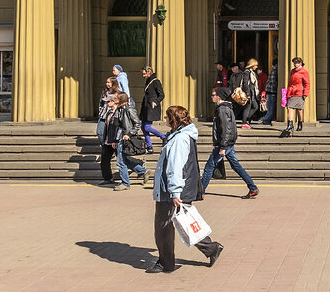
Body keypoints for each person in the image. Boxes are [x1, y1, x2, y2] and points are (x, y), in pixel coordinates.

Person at [150, 105, 224, 273]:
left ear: (174, 120)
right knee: (183, 222)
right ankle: (211, 249)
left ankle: (165, 263)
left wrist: (175, 191)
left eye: (167, 117)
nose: (165, 120)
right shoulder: (179, 136)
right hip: (175, 188)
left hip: (172, 189)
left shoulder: (179, 139)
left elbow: (176, 166)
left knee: (163, 226)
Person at [200, 87, 259, 198]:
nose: (211, 97)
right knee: (236, 166)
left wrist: (222, 146)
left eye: (213, 95)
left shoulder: (222, 109)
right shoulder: (227, 108)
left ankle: (200, 191)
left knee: (209, 167)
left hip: (223, 144)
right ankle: (252, 187)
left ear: (219, 96)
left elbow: (226, 129)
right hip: (228, 144)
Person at [107, 92, 146, 191]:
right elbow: (115, 126)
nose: (114, 99)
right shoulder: (118, 110)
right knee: (125, 160)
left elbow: (137, 124)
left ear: (121, 99)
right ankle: (142, 171)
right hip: (119, 138)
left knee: (120, 162)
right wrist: (114, 140)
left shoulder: (129, 109)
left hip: (125, 138)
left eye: (116, 98)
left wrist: (128, 134)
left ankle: (125, 183)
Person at [97, 77, 122, 185]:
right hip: (108, 137)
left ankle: (141, 170)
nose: (107, 84)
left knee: (123, 159)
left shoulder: (117, 113)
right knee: (104, 159)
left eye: (109, 82)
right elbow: (100, 104)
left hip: (115, 139)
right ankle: (107, 178)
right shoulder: (104, 93)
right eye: (106, 82)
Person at [280, 57, 310, 138]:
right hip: (291, 92)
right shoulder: (292, 71)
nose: (295, 64)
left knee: (299, 110)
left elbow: (307, 84)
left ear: (300, 63)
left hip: (299, 93)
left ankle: (300, 123)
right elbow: (290, 82)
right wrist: (287, 92)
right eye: (294, 63)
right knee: (290, 108)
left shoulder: (304, 72)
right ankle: (290, 124)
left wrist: (305, 94)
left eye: (297, 63)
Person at [139, 66, 166, 152]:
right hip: (145, 107)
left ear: (149, 73)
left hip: (151, 107)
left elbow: (161, 95)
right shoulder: (148, 81)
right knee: (143, 127)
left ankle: (163, 137)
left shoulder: (155, 82)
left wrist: (155, 102)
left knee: (147, 127)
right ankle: (149, 146)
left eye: (144, 74)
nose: (143, 76)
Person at [238, 59, 261, 128]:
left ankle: (247, 120)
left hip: (252, 92)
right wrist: (247, 93)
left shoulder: (252, 72)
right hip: (249, 92)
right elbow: (245, 84)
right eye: (255, 65)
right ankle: (244, 122)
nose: (256, 67)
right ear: (252, 65)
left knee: (255, 106)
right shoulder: (247, 72)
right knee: (247, 107)